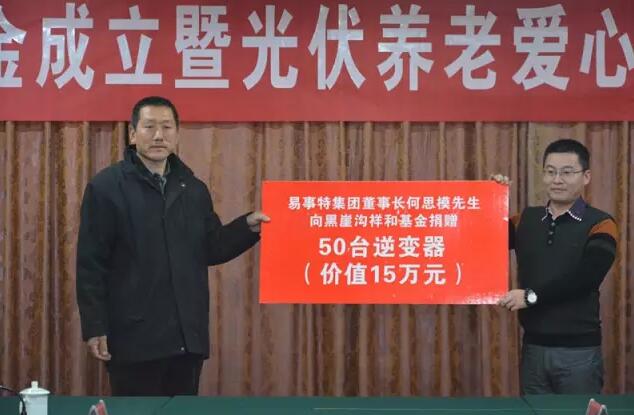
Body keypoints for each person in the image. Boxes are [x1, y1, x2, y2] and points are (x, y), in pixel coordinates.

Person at [75, 96, 269, 396]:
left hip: (185, 339)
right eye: (149, 127)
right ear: (132, 133)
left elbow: (211, 247)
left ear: (177, 134)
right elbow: (91, 264)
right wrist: (95, 326)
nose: (158, 135)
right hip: (133, 339)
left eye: (167, 127)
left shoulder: (193, 189)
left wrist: (247, 227)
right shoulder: (107, 188)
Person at [496, 138, 618, 394]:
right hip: (533, 349)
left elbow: (587, 277)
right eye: (550, 172)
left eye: (567, 172)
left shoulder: (601, 223)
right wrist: (491, 198)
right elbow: (481, 242)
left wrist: (529, 297)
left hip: (579, 353)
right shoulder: (526, 220)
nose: (557, 180)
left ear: (586, 177)